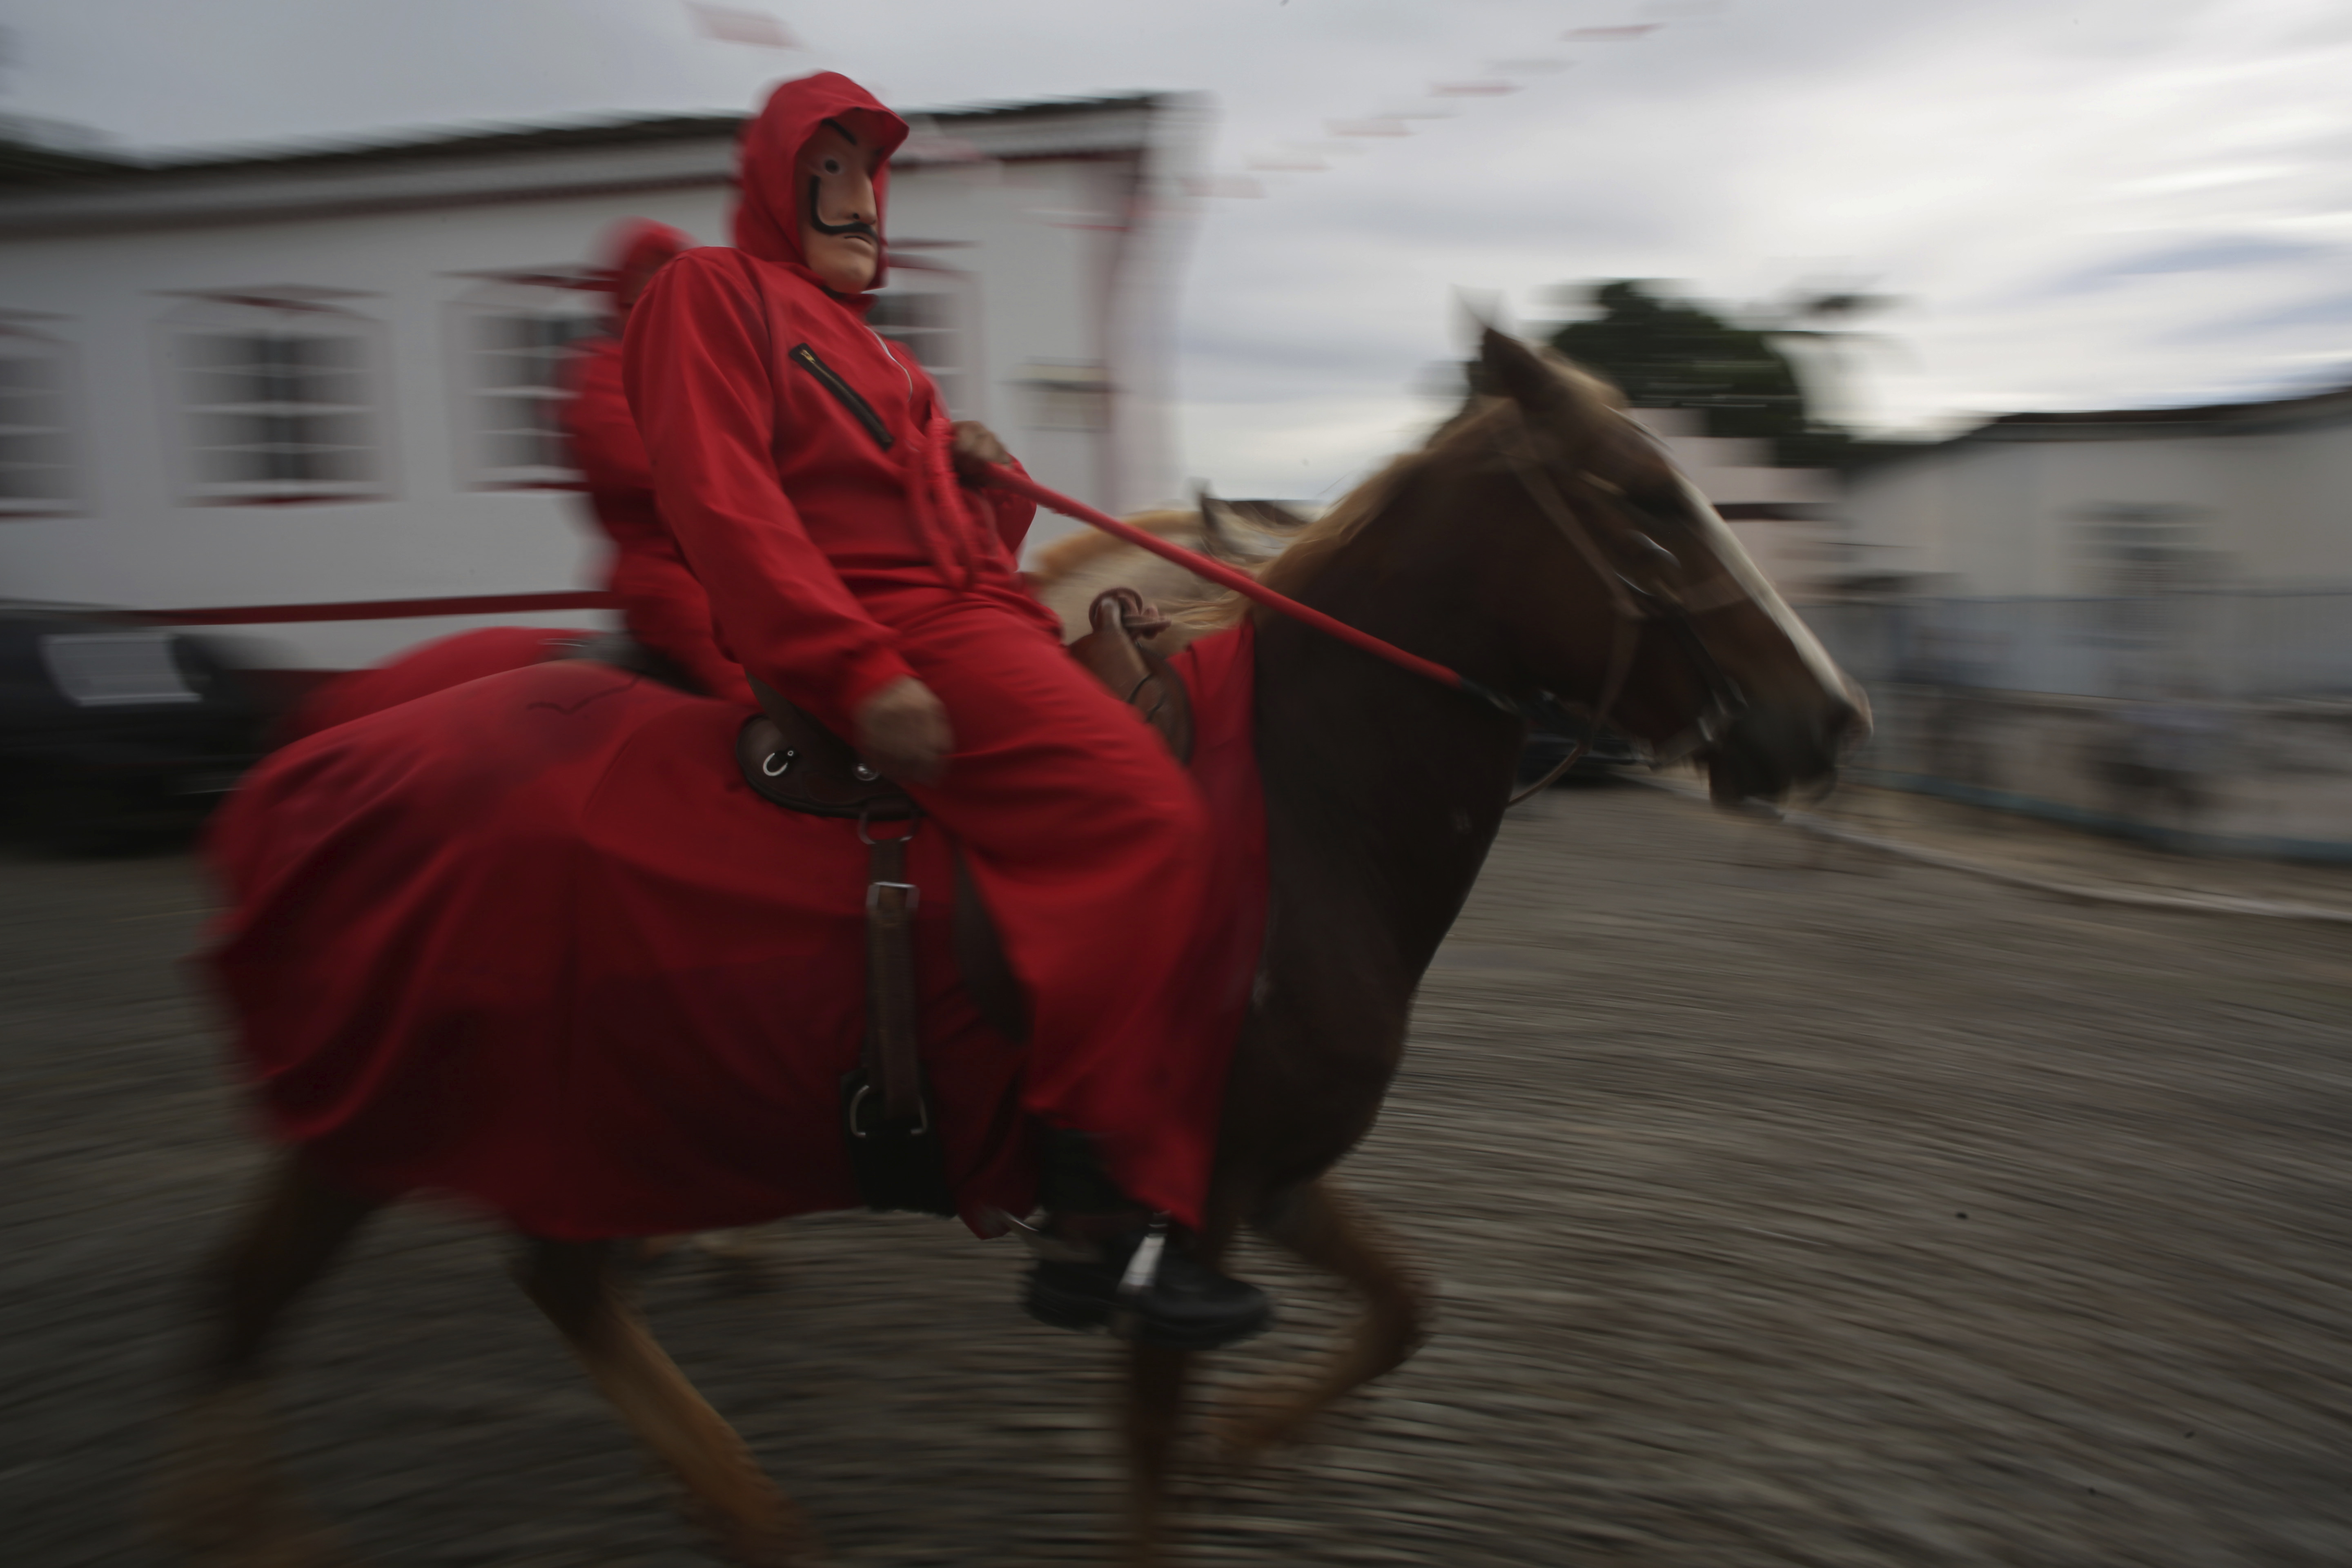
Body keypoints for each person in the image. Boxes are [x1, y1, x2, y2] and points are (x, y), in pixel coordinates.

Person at [622, 72, 1268, 1348]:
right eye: (827, 173)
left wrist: (991, 479)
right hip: (897, 636)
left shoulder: (886, 356)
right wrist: (857, 673)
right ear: (773, 185)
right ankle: (1097, 1214)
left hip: (984, 618)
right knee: (1143, 812)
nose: (859, 200)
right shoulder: (707, 293)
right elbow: (725, 500)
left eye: (869, 176)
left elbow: (963, 546)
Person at [562, 219, 753, 704]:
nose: (667, 292)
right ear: (624, 290)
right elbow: (648, 467)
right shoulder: (602, 372)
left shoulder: (694, 363)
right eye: (651, 277)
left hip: (724, 562)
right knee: (750, 688)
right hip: (662, 572)